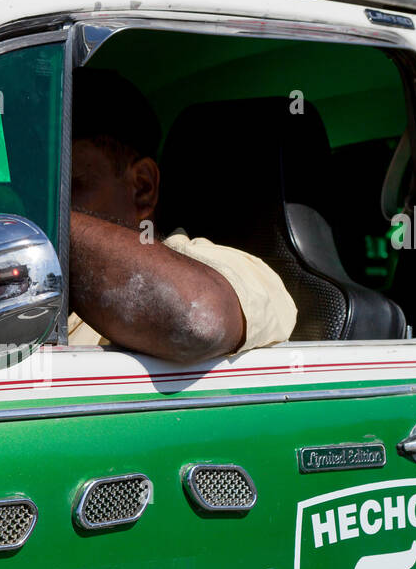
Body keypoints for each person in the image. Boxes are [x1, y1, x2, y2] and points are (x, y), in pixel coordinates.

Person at [69, 69, 296, 362]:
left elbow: (201, 318)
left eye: (68, 186)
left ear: (143, 188)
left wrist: (45, 220)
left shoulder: (227, 267)